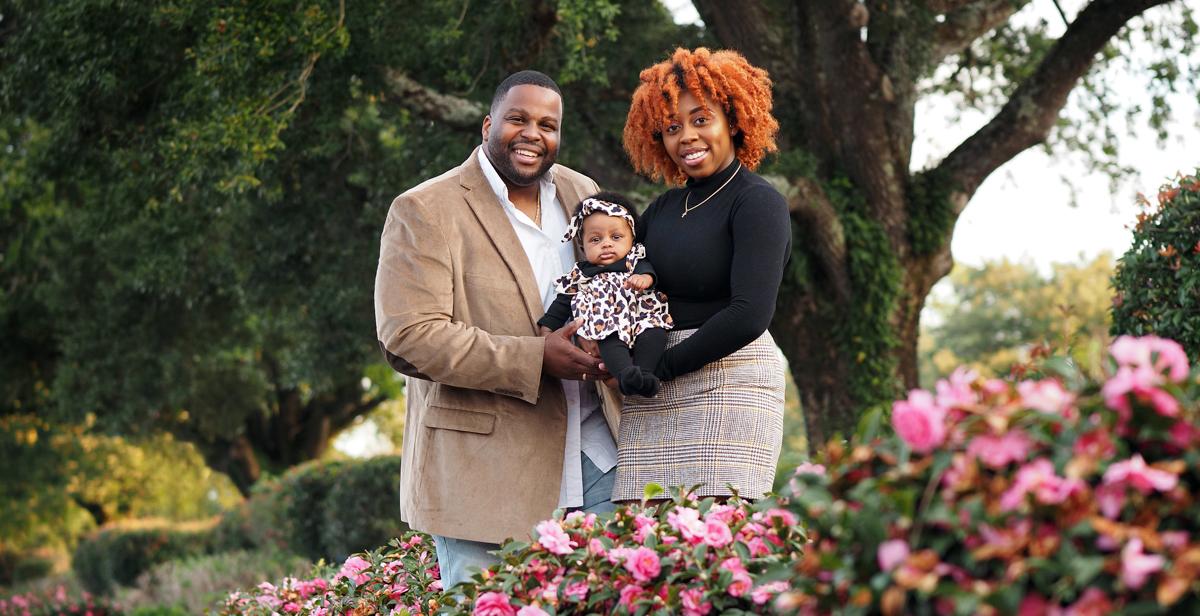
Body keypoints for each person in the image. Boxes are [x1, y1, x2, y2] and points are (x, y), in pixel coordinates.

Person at [374, 70, 621, 588]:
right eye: (518, 119)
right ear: (489, 124)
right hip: (483, 476)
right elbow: (409, 336)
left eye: (548, 125)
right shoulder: (424, 209)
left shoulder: (584, 193)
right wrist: (535, 358)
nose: (533, 134)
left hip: (598, 455)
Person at [613, 47, 791, 502]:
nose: (687, 137)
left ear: (731, 120)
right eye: (672, 127)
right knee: (643, 545)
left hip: (730, 378)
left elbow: (750, 315)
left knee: (711, 548)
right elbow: (627, 278)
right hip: (654, 386)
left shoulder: (757, 202)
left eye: (700, 119)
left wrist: (660, 366)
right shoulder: (662, 209)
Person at [537, 192, 673, 398]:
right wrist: (546, 331)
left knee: (654, 333)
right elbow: (561, 304)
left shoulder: (634, 261)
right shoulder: (580, 275)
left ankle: (645, 374)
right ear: (582, 247)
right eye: (595, 239)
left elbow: (649, 272)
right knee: (608, 343)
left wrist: (644, 279)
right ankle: (625, 374)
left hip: (640, 317)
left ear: (632, 239)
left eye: (616, 237)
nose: (607, 244)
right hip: (606, 324)